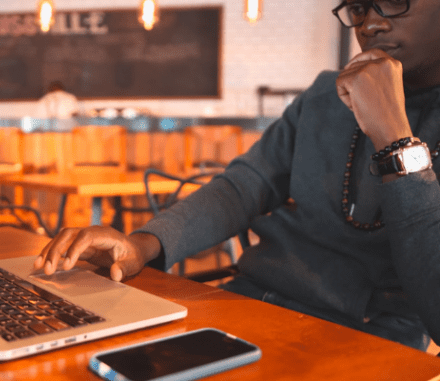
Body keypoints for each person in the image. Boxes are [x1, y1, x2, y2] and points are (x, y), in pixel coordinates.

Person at [34, 0, 440, 352]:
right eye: (357, 8)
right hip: (251, 300)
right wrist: (143, 245)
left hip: (367, 336)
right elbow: (244, 186)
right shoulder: (323, 95)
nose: (369, 24)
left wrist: (394, 137)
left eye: (393, 1)